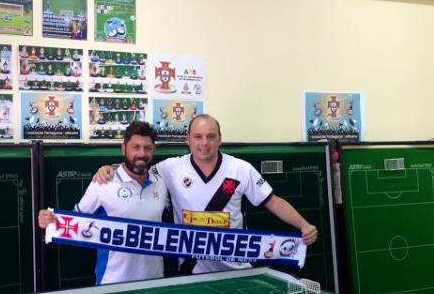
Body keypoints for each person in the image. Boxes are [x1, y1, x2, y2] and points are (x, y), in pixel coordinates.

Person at [93, 114, 318, 274]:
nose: (204, 143)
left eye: (210, 136)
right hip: (190, 272)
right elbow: (137, 169)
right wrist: (109, 169)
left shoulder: (241, 169)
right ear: (188, 139)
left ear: (220, 139)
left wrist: (304, 225)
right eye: (198, 137)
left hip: (236, 271)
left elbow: (273, 202)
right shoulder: (171, 168)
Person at [38, 121, 169, 284]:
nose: (141, 154)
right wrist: (52, 221)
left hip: (154, 280)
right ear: (124, 149)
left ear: (154, 149)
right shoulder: (103, 183)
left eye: (147, 148)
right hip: (112, 282)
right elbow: (75, 219)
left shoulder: (161, 184)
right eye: (135, 147)